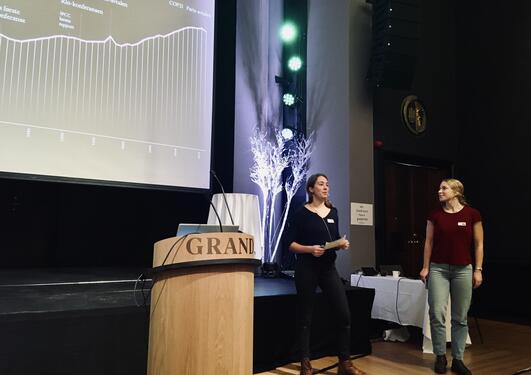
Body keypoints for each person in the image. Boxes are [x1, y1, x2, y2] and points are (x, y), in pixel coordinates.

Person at [287, 173, 366, 375]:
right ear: (311, 189)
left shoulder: (334, 212)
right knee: (305, 317)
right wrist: (310, 249)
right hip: (306, 268)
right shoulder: (300, 213)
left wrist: (341, 243)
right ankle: (305, 362)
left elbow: (334, 238)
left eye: (327, 184)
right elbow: (291, 245)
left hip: (328, 269)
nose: (325, 187)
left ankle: (344, 363)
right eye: (321, 184)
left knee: (343, 314)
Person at [420, 178, 484, 375]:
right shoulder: (435, 215)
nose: (439, 191)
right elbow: (428, 242)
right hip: (438, 269)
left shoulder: (472, 214)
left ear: (456, 191)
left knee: (460, 317)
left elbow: (479, 244)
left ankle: (458, 359)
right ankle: (440, 356)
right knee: (437, 313)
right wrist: (425, 267)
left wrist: (478, 269)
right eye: (439, 188)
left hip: (463, 269)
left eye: (444, 188)